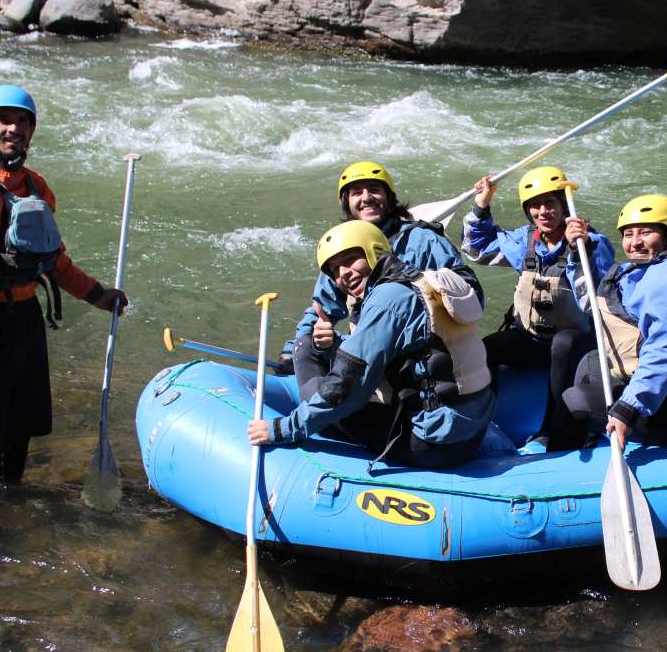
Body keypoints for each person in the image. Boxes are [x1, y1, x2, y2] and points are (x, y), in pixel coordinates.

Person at [0, 84, 127, 516]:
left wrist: (98, 294)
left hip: (24, 317)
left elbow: (54, 260)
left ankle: (10, 491)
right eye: (4, 120)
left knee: (21, 419)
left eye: (23, 121)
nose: (14, 128)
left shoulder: (37, 188)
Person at [249, 221, 494, 469]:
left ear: (375, 251)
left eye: (350, 259)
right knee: (330, 352)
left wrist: (282, 429)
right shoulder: (419, 280)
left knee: (309, 360)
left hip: (436, 444)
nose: (342, 274)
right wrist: (333, 345)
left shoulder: (386, 301)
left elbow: (344, 389)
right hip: (473, 428)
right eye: (334, 270)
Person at [463, 166, 614, 451]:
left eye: (550, 204)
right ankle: (482, 424)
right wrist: (481, 207)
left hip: (578, 345)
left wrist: (577, 250)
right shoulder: (525, 240)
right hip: (533, 340)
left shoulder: (592, 244)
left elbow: (592, 295)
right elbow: (477, 248)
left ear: (563, 207)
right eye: (534, 205)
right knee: (488, 347)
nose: (542, 211)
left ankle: (552, 429)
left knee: (564, 343)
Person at [281, 160, 481, 374]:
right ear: (347, 204)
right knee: (307, 349)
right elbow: (321, 309)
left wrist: (413, 281)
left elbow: (472, 296)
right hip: (369, 351)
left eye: (374, 190)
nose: (366, 197)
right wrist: (295, 348)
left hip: (424, 351)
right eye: (356, 193)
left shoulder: (424, 240)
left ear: (388, 197)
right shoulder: (341, 253)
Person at [562, 194, 667, 450]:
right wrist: (580, 251)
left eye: (646, 233)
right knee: (588, 359)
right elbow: (593, 304)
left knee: (578, 395)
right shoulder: (639, 270)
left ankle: (567, 453)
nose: (635, 242)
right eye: (628, 234)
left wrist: (628, 408)